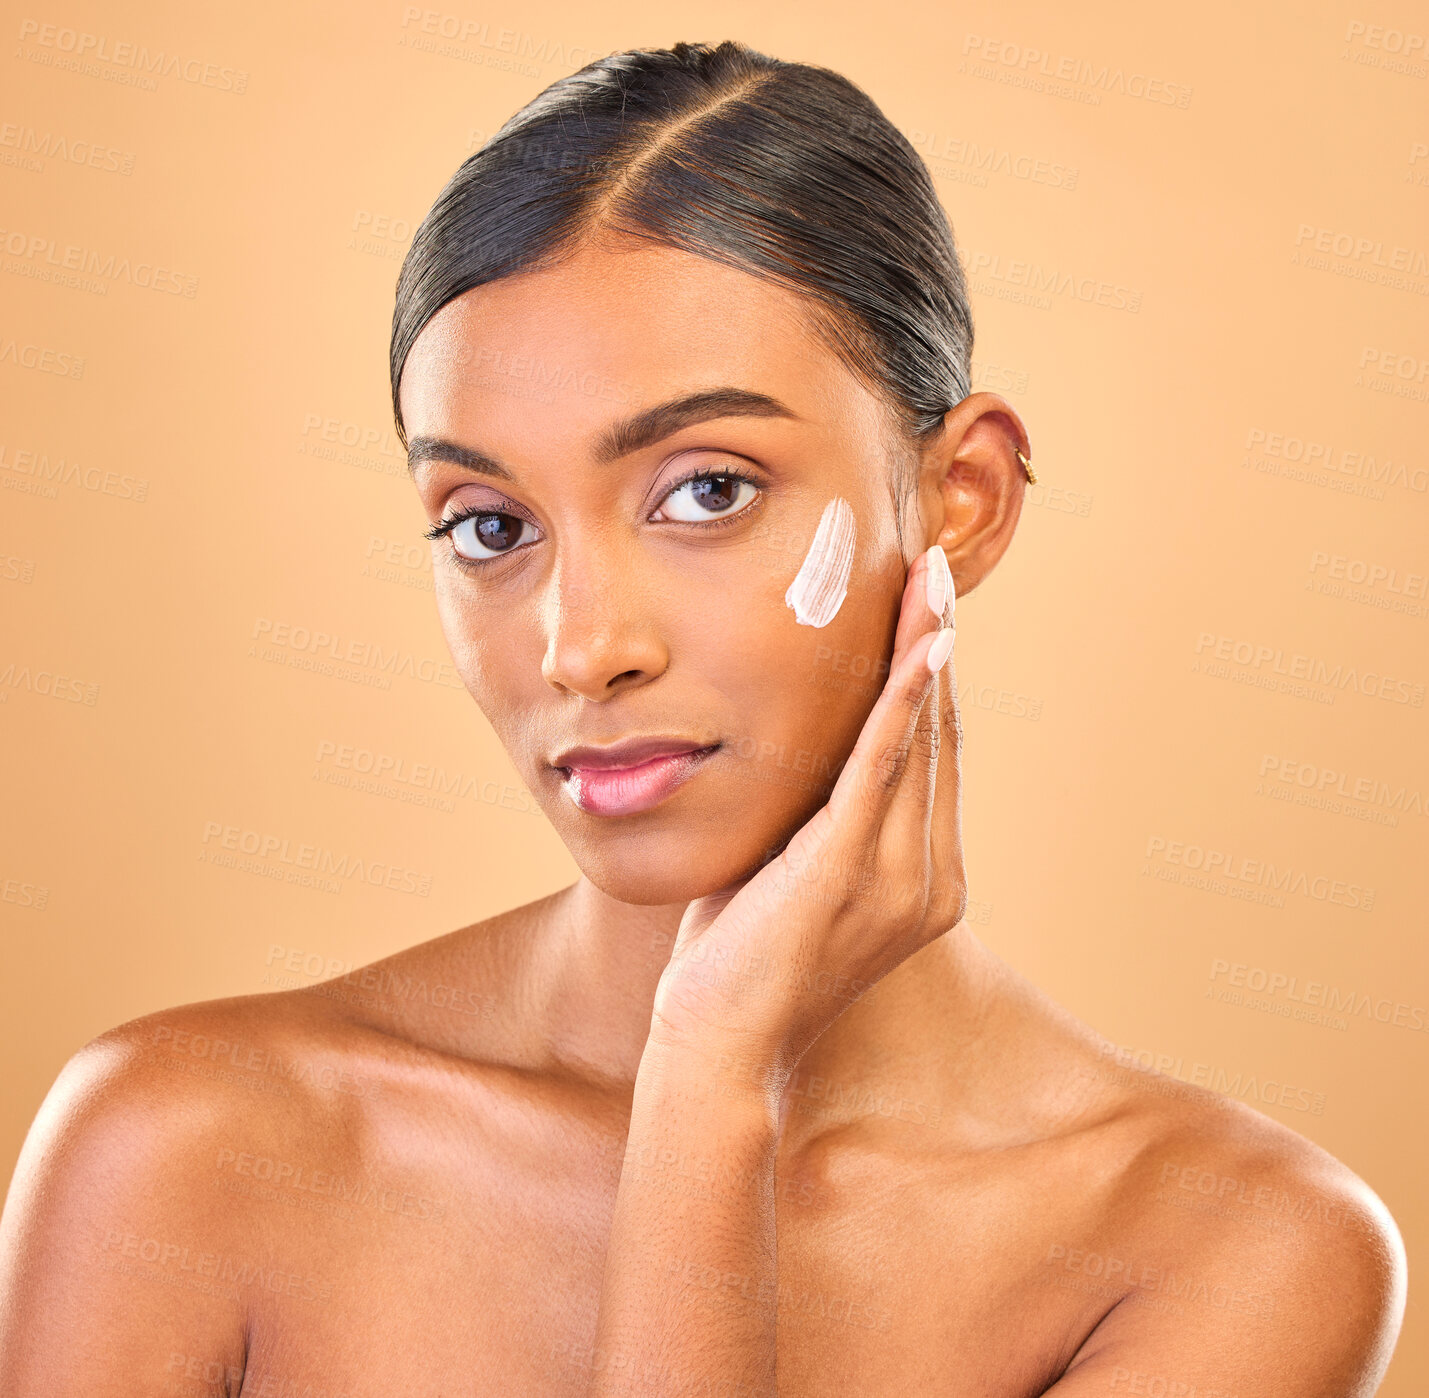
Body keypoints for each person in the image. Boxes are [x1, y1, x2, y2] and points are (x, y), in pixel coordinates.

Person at [0, 38, 1406, 1398]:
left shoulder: (1222, 1248)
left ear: (961, 499)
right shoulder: (185, 1147)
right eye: (490, 523)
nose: (581, 647)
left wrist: (709, 1080)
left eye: (707, 489)